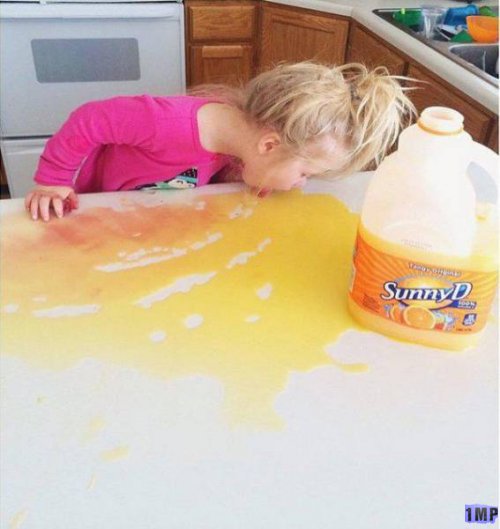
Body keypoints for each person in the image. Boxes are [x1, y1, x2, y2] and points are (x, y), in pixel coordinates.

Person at [25, 62, 415, 222]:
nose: (301, 184)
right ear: (269, 145)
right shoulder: (165, 124)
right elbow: (90, 119)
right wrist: (52, 180)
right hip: (94, 206)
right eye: (305, 173)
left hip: (147, 214)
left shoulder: (239, 144)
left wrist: (260, 177)